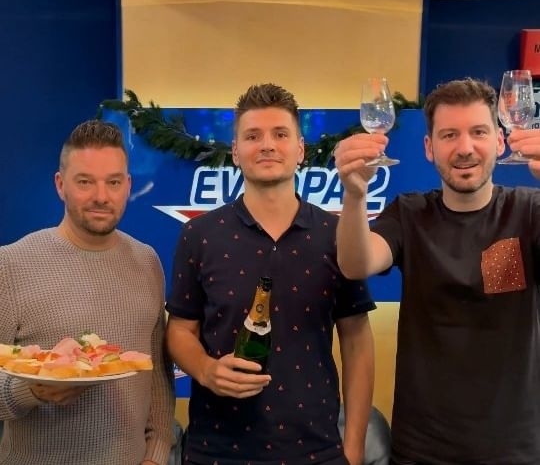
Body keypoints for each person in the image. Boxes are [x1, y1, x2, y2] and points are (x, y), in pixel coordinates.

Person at [166, 83, 377, 465]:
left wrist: (354, 448)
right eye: (253, 136)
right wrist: (206, 370)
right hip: (216, 451)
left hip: (317, 450)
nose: (267, 145)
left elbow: (357, 340)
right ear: (235, 152)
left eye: (280, 134)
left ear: (300, 150)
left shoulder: (337, 234)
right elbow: (180, 330)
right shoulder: (199, 235)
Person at [334, 77, 540, 465]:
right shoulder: (409, 213)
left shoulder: (529, 210)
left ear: (500, 141)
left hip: (516, 448)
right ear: (430, 148)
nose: (465, 148)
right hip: (423, 449)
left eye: (478, 132)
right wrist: (355, 194)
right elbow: (356, 263)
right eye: (449, 135)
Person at [0, 120, 176, 465]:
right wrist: (31, 389)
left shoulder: (147, 261)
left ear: (128, 186)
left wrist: (156, 454)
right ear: (60, 184)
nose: (101, 196)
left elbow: (155, 375)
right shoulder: (10, 265)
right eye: (85, 182)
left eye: (113, 182)